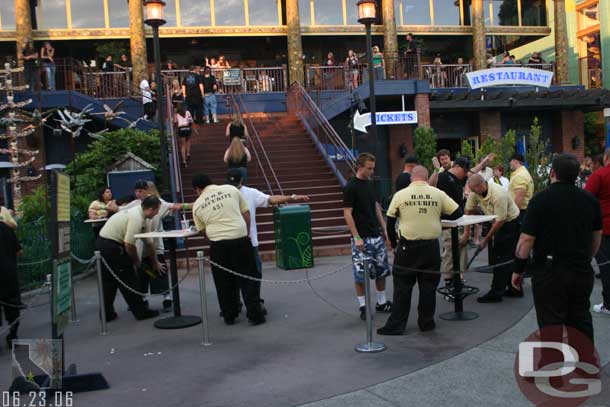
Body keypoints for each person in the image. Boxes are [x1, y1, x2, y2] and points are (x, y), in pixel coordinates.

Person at [513, 153, 603, 345]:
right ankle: (585, 363)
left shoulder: (540, 200)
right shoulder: (590, 200)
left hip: (550, 270)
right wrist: (586, 257)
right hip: (580, 268)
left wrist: (518, 269)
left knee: (551, 322)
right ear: (576, 174)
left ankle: (553, 366)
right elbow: (596, 237)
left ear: (552, 172)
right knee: (580, 318)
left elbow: (526, 239)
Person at [377, 166, 462, 335]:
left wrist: (393, 244)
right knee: (428, 286)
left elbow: (390, 221)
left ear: (411, 178)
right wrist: (436, 217)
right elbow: (457, 213)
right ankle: (426, 322)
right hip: (431, 246)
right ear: (426, 177)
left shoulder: (400, 195)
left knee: (402, 286)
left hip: (407, 246)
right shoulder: (437, 193)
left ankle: (397, 325)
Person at [227, 169, 309, 310]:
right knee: (252, 273)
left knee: (240, 274)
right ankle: (249, 303)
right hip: (246, 241)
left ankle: (243, 303)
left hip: (234, 241)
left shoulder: (229, 193)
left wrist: (292, 197)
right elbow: (271, 199)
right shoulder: (247, 192)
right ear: (242, 179)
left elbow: (270, 199)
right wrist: (293, 197)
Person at [191, 173, 265, 325]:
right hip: (240, 239)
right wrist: (245, 231)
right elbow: (246, 212)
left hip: (218, 245)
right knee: (248, 277)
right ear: (211, 181)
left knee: (223, 282)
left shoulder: (197, 205)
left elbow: (202, 230)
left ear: (197, 189)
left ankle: (229, 315)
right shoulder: (231, 190)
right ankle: (255, 315)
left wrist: (214, 237)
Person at [343, 153, 393, 321]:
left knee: (381, 271)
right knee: (360, 275)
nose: (372, 171)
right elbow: (347, 213)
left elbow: (376, 206)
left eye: (373, 168)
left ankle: (381, 302)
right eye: (369, 168)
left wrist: (384, 228)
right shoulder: (351, 187)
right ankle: (363, 306)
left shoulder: (371, 185)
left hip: (375, 235)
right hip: (361, 238)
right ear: (360, 167)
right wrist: (356, 236)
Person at [96, 196, 162, 321]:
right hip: (112, 245)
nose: (157, 213)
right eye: (157, 210)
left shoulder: (140, 214)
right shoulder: (136, 218)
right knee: (128, 278)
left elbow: (149, 243)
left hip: (103, 243)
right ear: (151, 209)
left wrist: (155, 262)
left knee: (109, 281)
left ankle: (106, 314)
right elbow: (129, 244)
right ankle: (141, 312)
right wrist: (136, 262)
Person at [463, 174, 522, 303]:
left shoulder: (498, 194)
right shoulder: (475, 192)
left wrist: (486, 239)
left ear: (481, 186)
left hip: (510, 224)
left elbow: (500, 221)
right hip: (496, 221)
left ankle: (496, 292)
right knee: (505, 257)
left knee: (502, 258)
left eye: (473, 190)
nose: (472, 192)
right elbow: (468, 209)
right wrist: (466, 232)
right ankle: (514, 289)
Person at [585, 148, 610, 315]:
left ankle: (608, 303)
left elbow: (586, 199)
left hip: (605, 227)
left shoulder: (600, 175)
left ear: (606, 157)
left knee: (606, 266)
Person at [0, 222, 22, 348]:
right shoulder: (7, 228)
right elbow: (19, 251)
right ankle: (13, 336)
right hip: (9, 274)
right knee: (13, 307)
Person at [508, 153, 534, 223]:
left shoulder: (520, 176)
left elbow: (519, 199)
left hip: (519, 213)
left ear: (515, 161)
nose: (509, 163)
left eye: (510, 161)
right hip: (522, 212)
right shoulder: (523, 173)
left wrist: (512, 217)